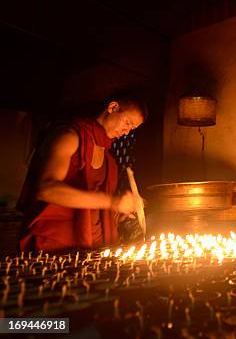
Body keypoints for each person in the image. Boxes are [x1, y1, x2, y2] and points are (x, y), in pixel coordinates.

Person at [17, 97, 148, 252]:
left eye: (132, 129)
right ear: (113, 107)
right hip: (54, 246)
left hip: (93, 246)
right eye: (127, 123)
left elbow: (94, 205)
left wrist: (119, 212)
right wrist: (111, 201)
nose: (126, 132)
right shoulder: (69, 136)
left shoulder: (109, 160)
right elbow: (46, 189)